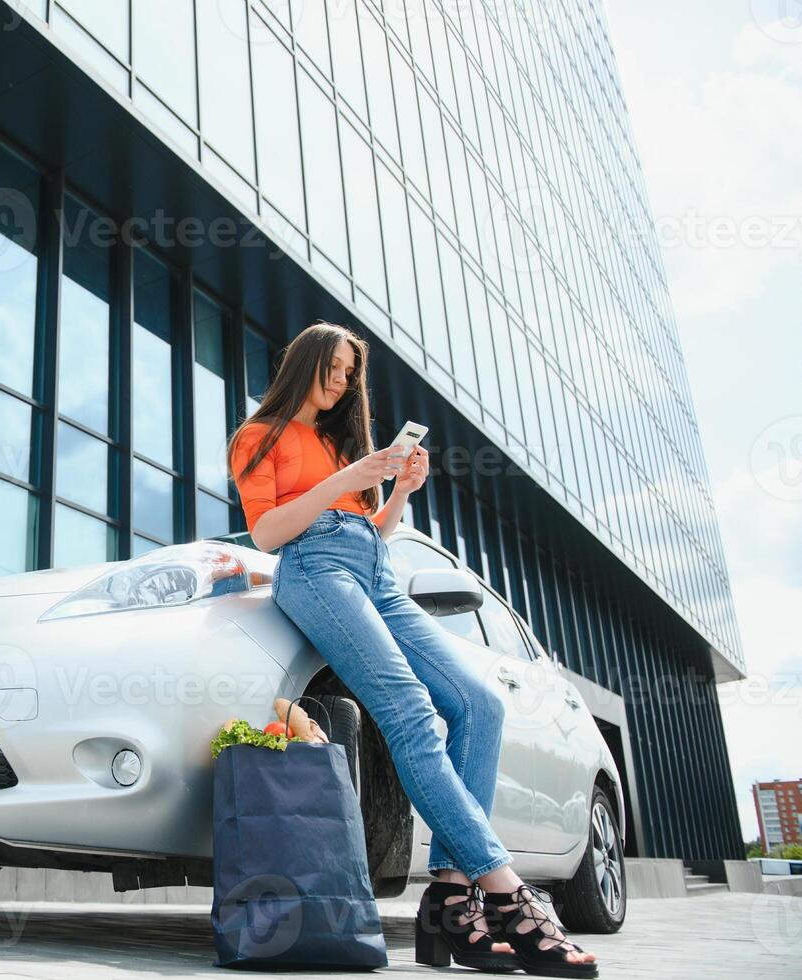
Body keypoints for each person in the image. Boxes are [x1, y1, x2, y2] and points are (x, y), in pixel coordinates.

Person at [227, 322, 598, 977]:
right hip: (315, 570)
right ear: (305, 363)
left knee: (479, 705)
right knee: (406, 708)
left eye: (349, 373)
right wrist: (350, 475)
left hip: (373, 568)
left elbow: (370, 534)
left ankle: (452, 894)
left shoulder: (332, 439)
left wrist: (395, 491)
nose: (342, 382)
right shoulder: (259, 435)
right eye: (333, 368)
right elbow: (267, 532)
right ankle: (506, 895)